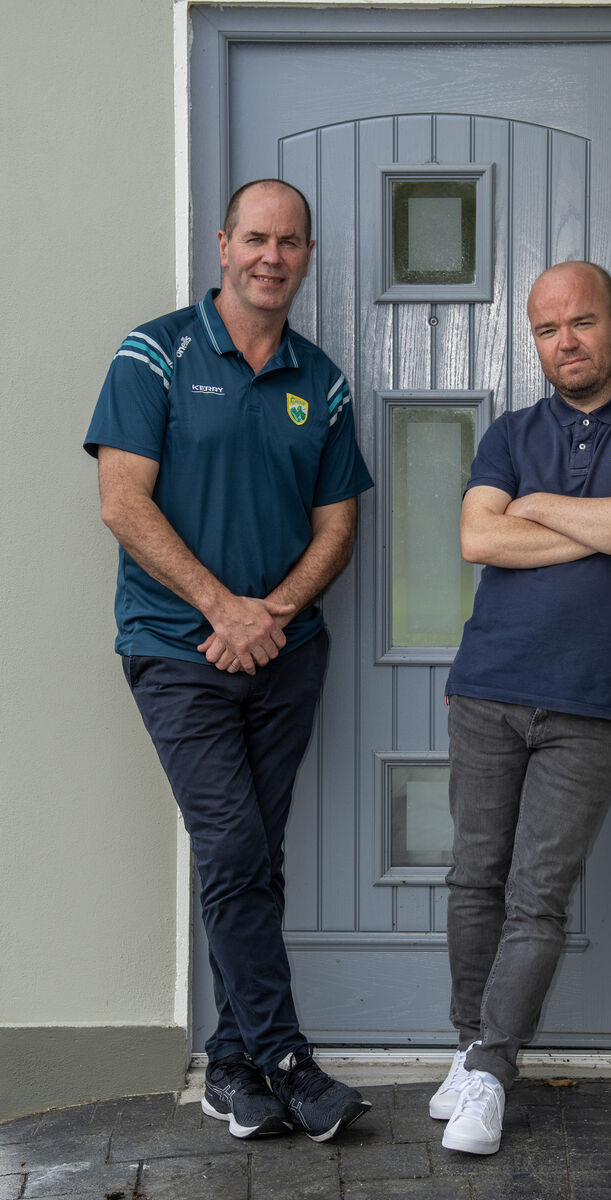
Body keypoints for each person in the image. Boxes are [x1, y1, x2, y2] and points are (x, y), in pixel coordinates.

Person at [85, 179, 374, 1143]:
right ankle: (286, 1056)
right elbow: (123, 502)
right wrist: (222, 609)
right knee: (238, 847)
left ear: (307, 255)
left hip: (285, 654)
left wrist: (275, 612)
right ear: (223, 245)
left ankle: (233, 1067)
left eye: (291, 242)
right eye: (256, 238)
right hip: (175, 649)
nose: (272, 257)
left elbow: (339, 523)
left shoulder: (319, 381)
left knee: (251, 853)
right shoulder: (153, 354)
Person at [430, 261, 611, 1155]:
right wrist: (593, 517)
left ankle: (493, 1072)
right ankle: (470, 1054)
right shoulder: (509, 431)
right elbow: (476, 536)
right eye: (546, 331)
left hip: (591, 703)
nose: (565, 343)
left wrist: (537, 510)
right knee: (474, 881)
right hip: (488, 688)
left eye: (580, 323)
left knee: (537, 899)